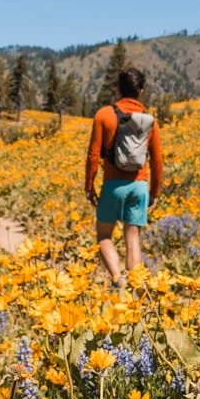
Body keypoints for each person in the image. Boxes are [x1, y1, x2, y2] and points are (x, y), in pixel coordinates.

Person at [84, 65, 163, 286]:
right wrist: (154, 192)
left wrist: (89, 187)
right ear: (142, 90)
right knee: (133, 238)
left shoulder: (104, 115)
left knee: (104, 236)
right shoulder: (149, 121)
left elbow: (93, 155)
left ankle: (118, 279)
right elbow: (157, 160)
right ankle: (136, 287)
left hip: (113, 185)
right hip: (139, 186)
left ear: (118, 89)